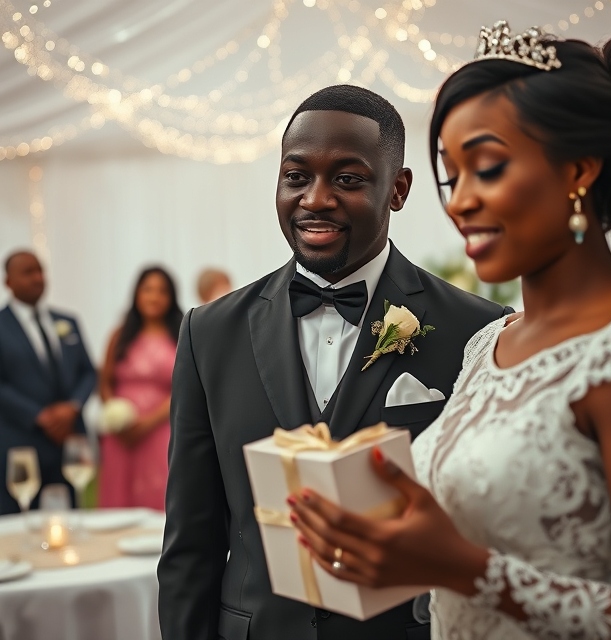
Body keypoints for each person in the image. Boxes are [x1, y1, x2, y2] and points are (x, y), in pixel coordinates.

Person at [287, 22, 611, 639]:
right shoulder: (487, 344)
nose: (461, 202)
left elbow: (466, 562)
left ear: (579, 169)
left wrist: (463, 568)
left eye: (489, 167)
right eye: (453, 176)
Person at [158, 85, 513, 640]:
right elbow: (191, 542)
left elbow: (491, 528)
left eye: (347, 179)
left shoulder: (479, 330)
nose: (315, 199)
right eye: (296, 177)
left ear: (397, 189)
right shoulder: (210, 332)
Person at [0, 250, 96, 514]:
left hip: (69, 440)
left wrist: (72, 407)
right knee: (20, 523)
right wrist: (40, 416)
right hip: (21, 442)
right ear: (8, 281)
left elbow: (88, 371)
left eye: (40, 271)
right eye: (28, 272)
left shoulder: (67, 322)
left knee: (70, 519)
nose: (37, 278)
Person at [98, 267, 182, 511]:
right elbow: (105, 380)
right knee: (117, 498)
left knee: (158, 497)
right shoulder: (119, 335)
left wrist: (145, 424)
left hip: (160, 430)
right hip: (121, 435)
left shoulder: (180, 334)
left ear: (171, 297)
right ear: (136, 294)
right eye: (147, 290)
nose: (154, 297)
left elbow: (183, 386)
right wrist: (113, 412)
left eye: (161, 291)